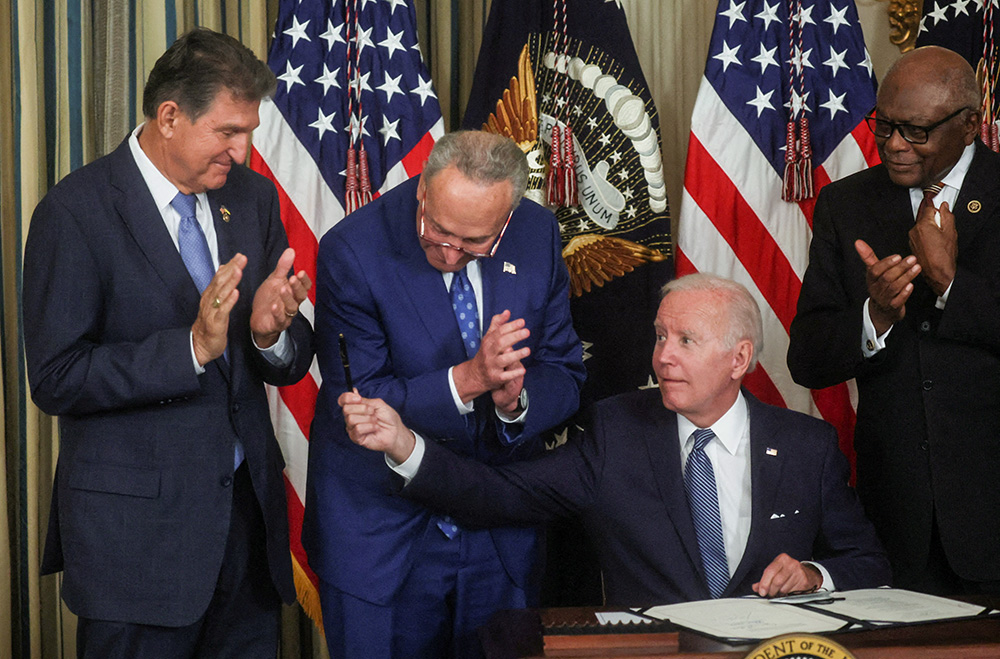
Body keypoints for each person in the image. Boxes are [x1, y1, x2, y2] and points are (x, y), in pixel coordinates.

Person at [340, 274, 891, 607]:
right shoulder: (618, 431)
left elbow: (867, 563)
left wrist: (814, 575)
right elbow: (502, 493)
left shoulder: (806, 445)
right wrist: (405, 445)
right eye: (660, 336)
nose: (662, 356)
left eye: (686, 341)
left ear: (739, 360)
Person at [22, 29, 314, 657]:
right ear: (170, 116)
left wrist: (271, 335)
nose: (242, 150)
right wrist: (189, 350)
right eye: (227, 132)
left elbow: (282, 352)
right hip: (136, 548)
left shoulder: (253, 199)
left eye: (249, 131)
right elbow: (55, 376)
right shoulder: (74, 212)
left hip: (245, 530)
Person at [302, 130, 585, 658]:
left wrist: (515, 402)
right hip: (384, 535)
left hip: (499, 533)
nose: (451, 252)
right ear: (423, 193)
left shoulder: (537, 232)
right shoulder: (353, 249)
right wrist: (469, 380)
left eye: (474, 242)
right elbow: (363, 402)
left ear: (506, 218)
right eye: (437, 232)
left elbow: (565, 371)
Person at [788, 45, 1000, 596]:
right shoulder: (845, 204)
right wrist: (874, 316)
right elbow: (806, 358)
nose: (895, 145)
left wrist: (951, 283)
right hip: (895, 523)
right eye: (884, 127)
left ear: (970, 125)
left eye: (916, 131)